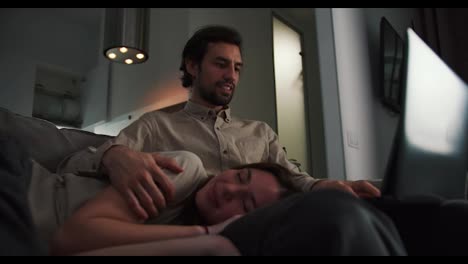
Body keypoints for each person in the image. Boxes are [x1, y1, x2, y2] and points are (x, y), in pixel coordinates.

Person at [59, 25, 381, 222]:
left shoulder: (260, 133)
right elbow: (76, 163)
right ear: (192, 65)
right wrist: (114, 156)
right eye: (221, 64)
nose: (232, 76)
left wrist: (327, 185)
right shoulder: (156, 126)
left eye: (238, 68)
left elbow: (293, 179)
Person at [50, 151, 301, 256]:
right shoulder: (186, 169)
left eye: (246, 204)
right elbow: (69, 238)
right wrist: (205, 233)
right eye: (240, 176)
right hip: (25, 192)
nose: (228, 189)